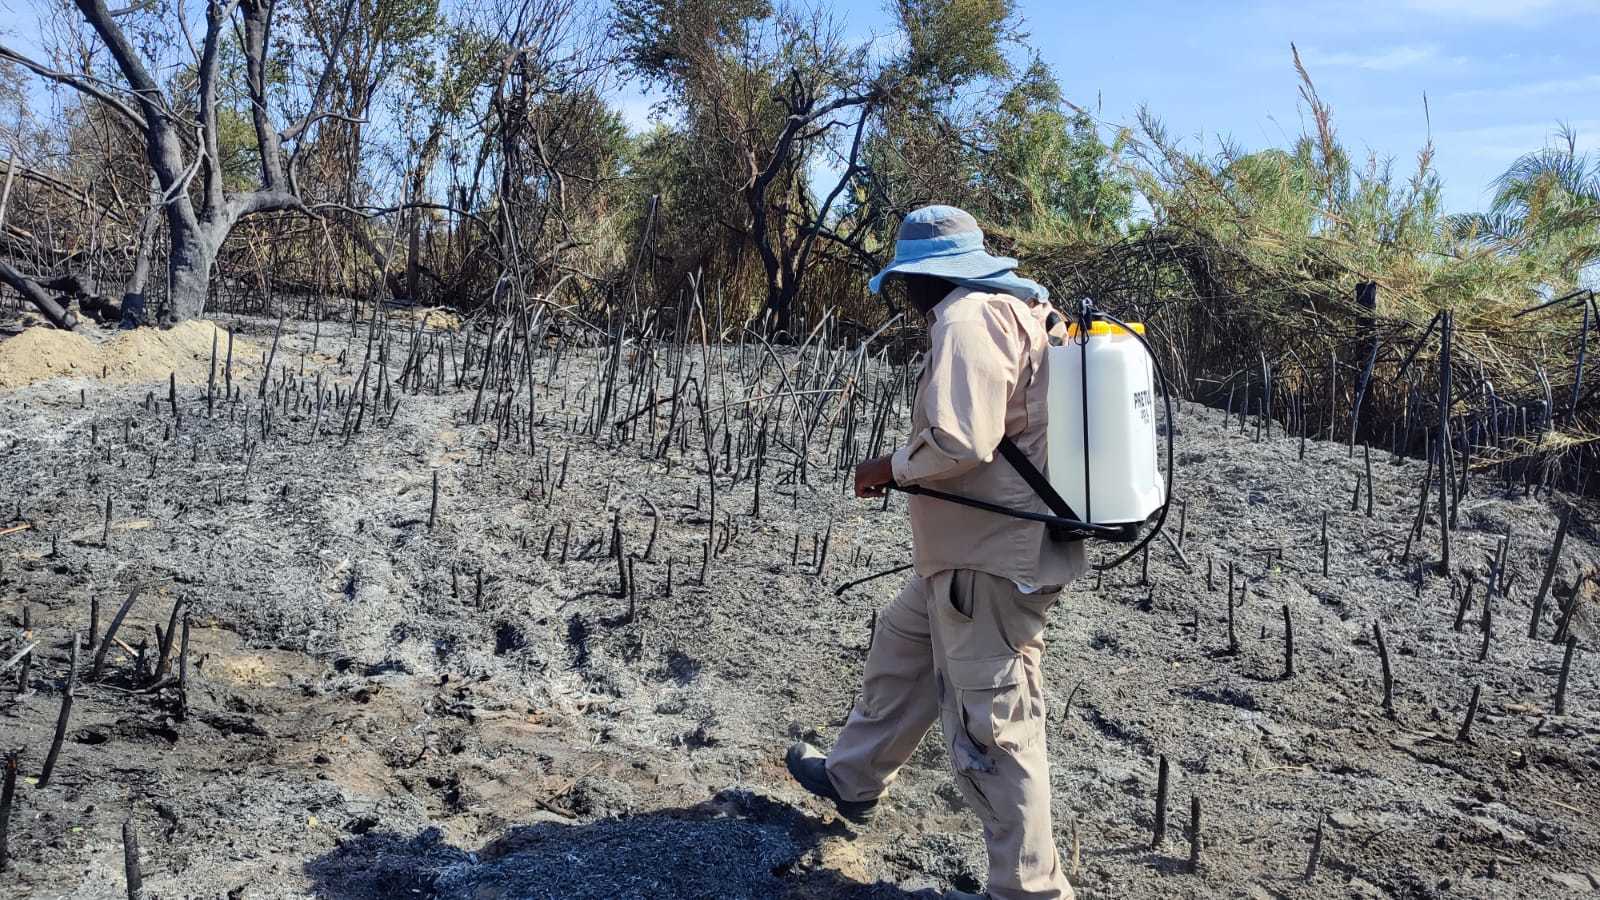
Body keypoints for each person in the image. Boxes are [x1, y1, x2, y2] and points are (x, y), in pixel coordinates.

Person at [786, 205, 1084, 900]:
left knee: (995, 731)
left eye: (906, 280)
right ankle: (853, 777)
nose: (906, 296)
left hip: (986, 561)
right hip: (974, 556)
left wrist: (887, 467)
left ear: (924, 276)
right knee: (903, 643)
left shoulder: (968, 319)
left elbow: (960, 441)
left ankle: (1028, 891)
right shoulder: (1024, 306)